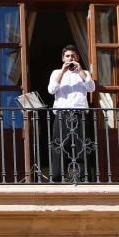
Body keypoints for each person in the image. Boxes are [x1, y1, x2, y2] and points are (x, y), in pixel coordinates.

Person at [46, 44, 96, 183]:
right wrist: (62, 72)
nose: (70, 58)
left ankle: (83, 177)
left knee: (82, 146)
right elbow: (51, 90)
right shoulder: (56, 73)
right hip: (62, 114)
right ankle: (57, 178)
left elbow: (91, 88)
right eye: (67, 56)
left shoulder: (84, 72)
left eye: (73, 56)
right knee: (59, 146)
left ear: (77, 57)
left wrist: (81, 71)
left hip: (80, 114)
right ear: (63, 58)